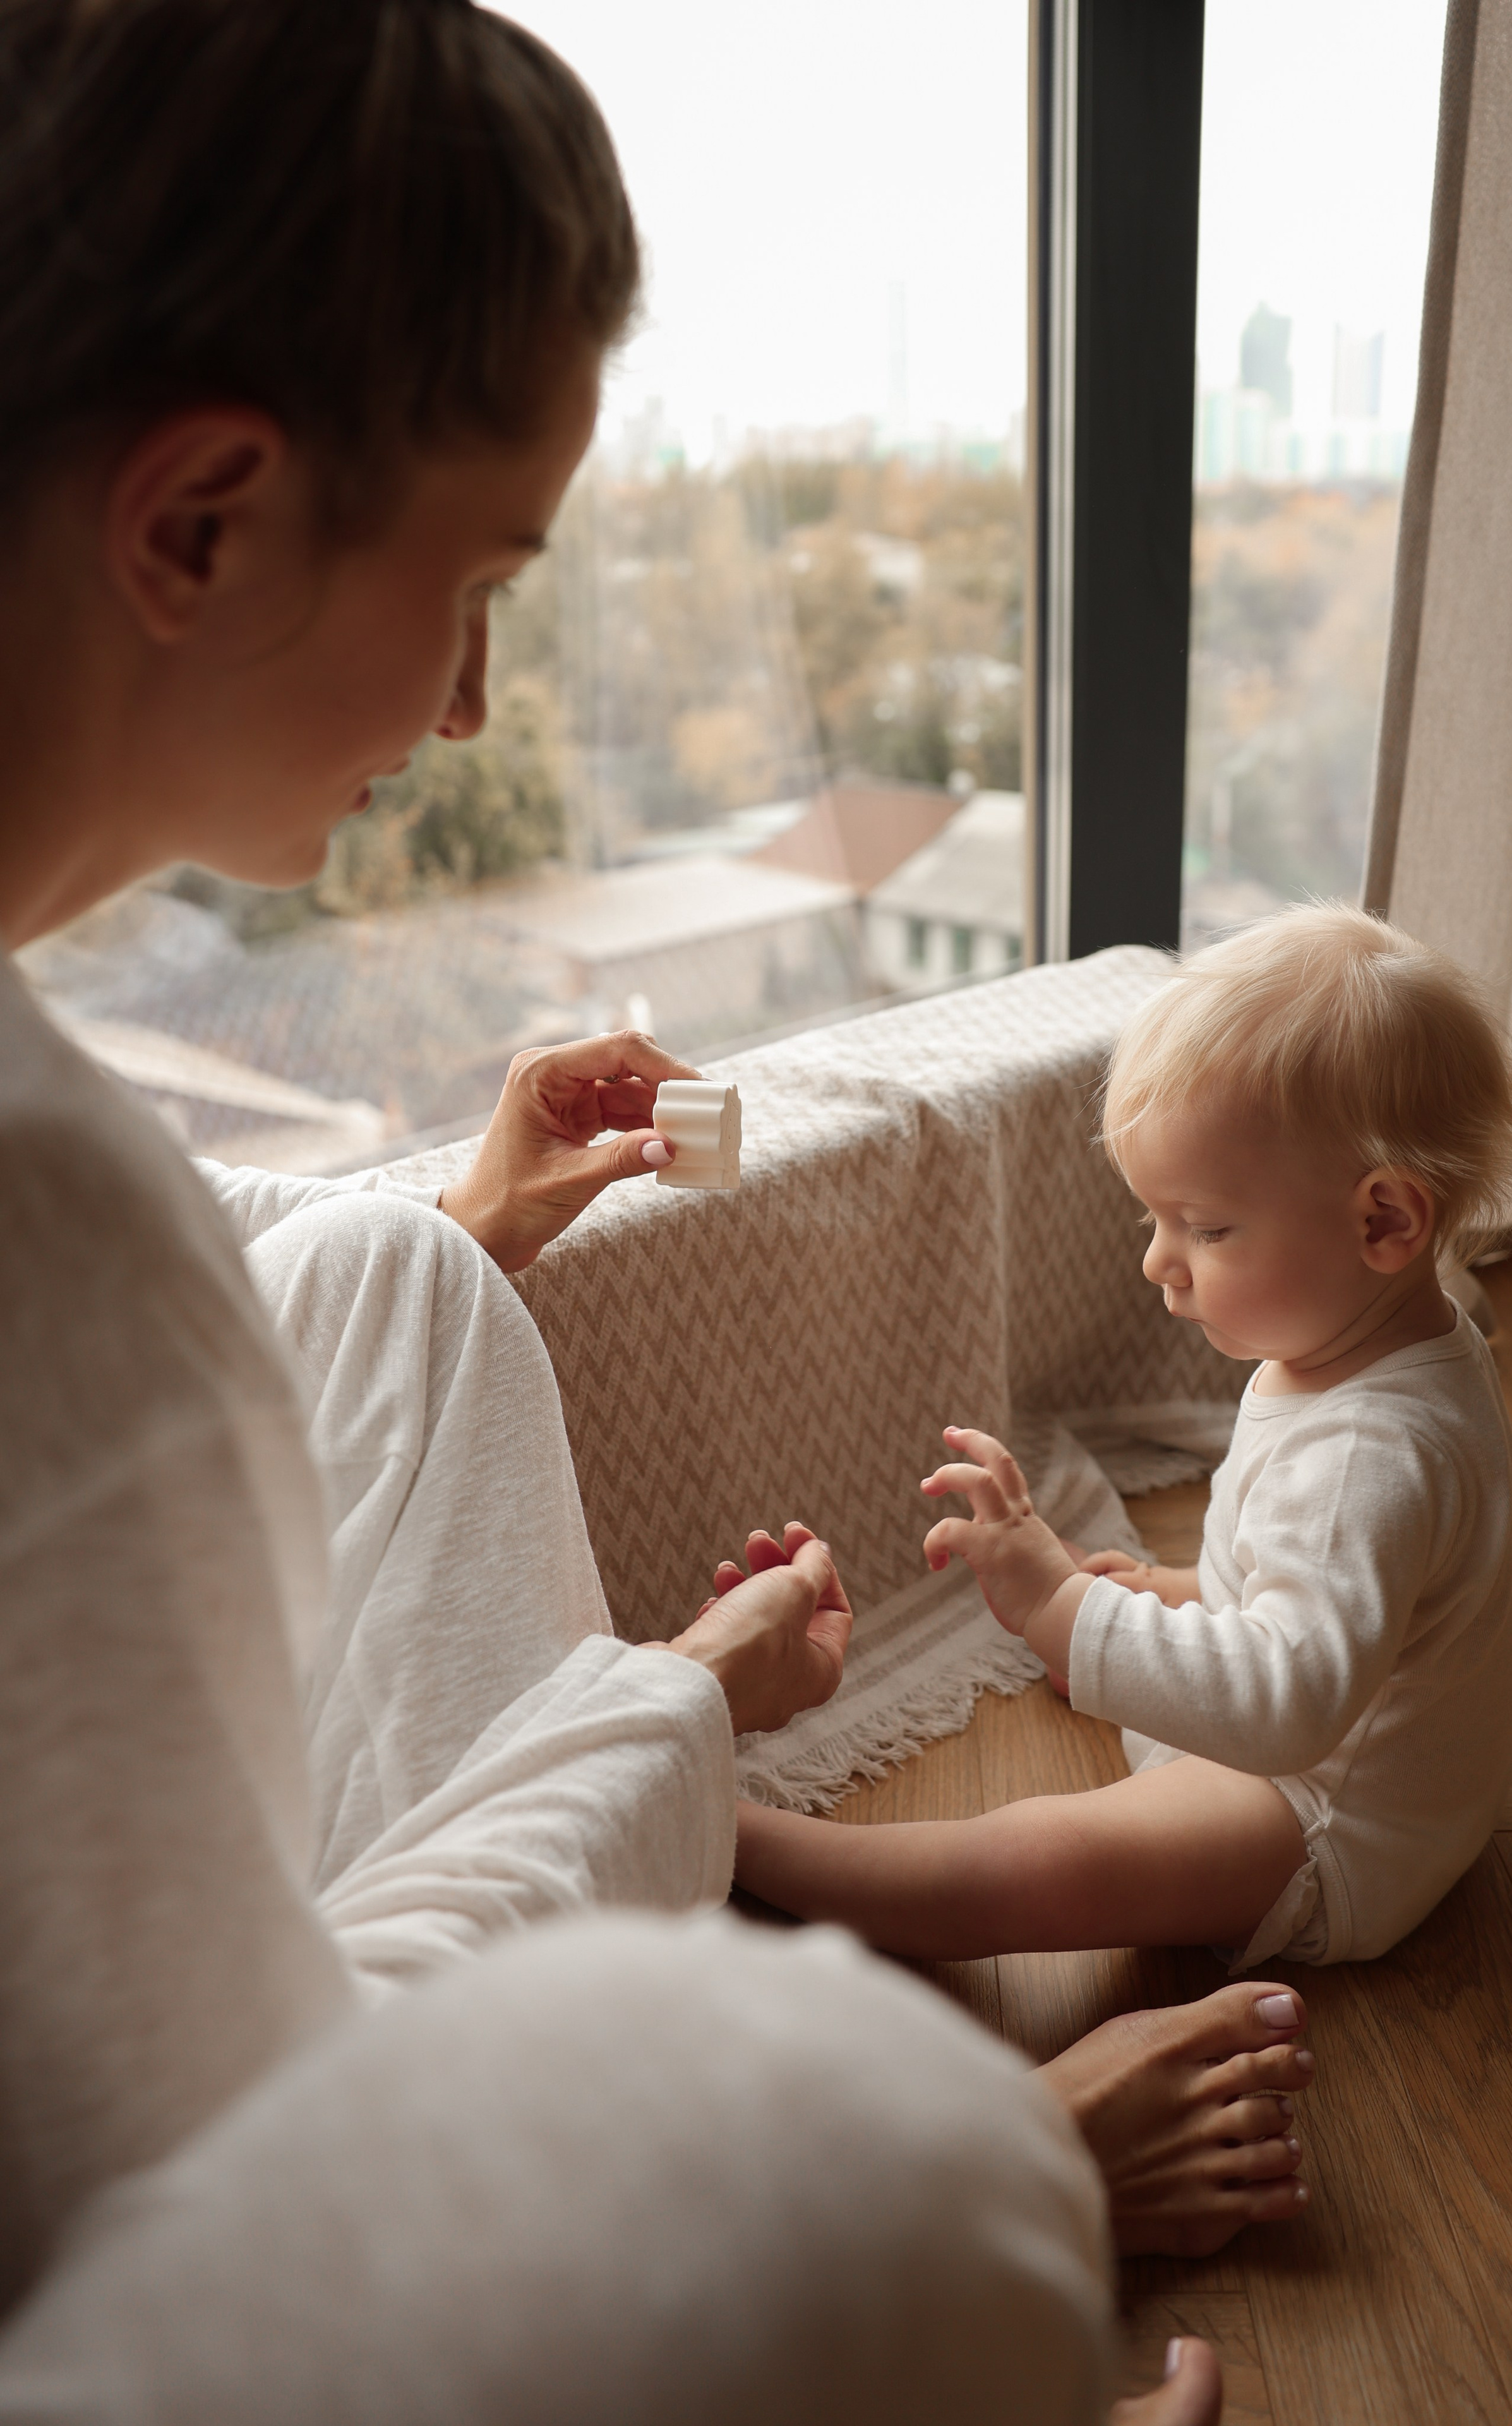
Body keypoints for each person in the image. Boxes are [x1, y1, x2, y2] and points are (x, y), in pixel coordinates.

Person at [0, 4, 1314, 2417]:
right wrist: (662, 1714)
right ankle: (966, 2178)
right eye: (484, 575)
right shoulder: (56, 1230)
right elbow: (228, 2217)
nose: (483, 702)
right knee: (917, 2174)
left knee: (386, 1264)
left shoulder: (71, 1212)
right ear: (200, 520)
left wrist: (480, 1218)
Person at [736, 906, 1512, 1976]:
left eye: (1207, 1227)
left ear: (1385, 1222)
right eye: (1154, 1220)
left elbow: (1287, 1709)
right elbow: (1346, 1589)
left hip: (1329, 1822)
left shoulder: (1372, 1454)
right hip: (1382, 1757)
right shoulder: (1388, 1342)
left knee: (1040, 1862)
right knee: (1130, 1638)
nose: (1159, 1263)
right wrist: (1181, 1588)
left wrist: (1059, 1607)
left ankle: (742, 1840)